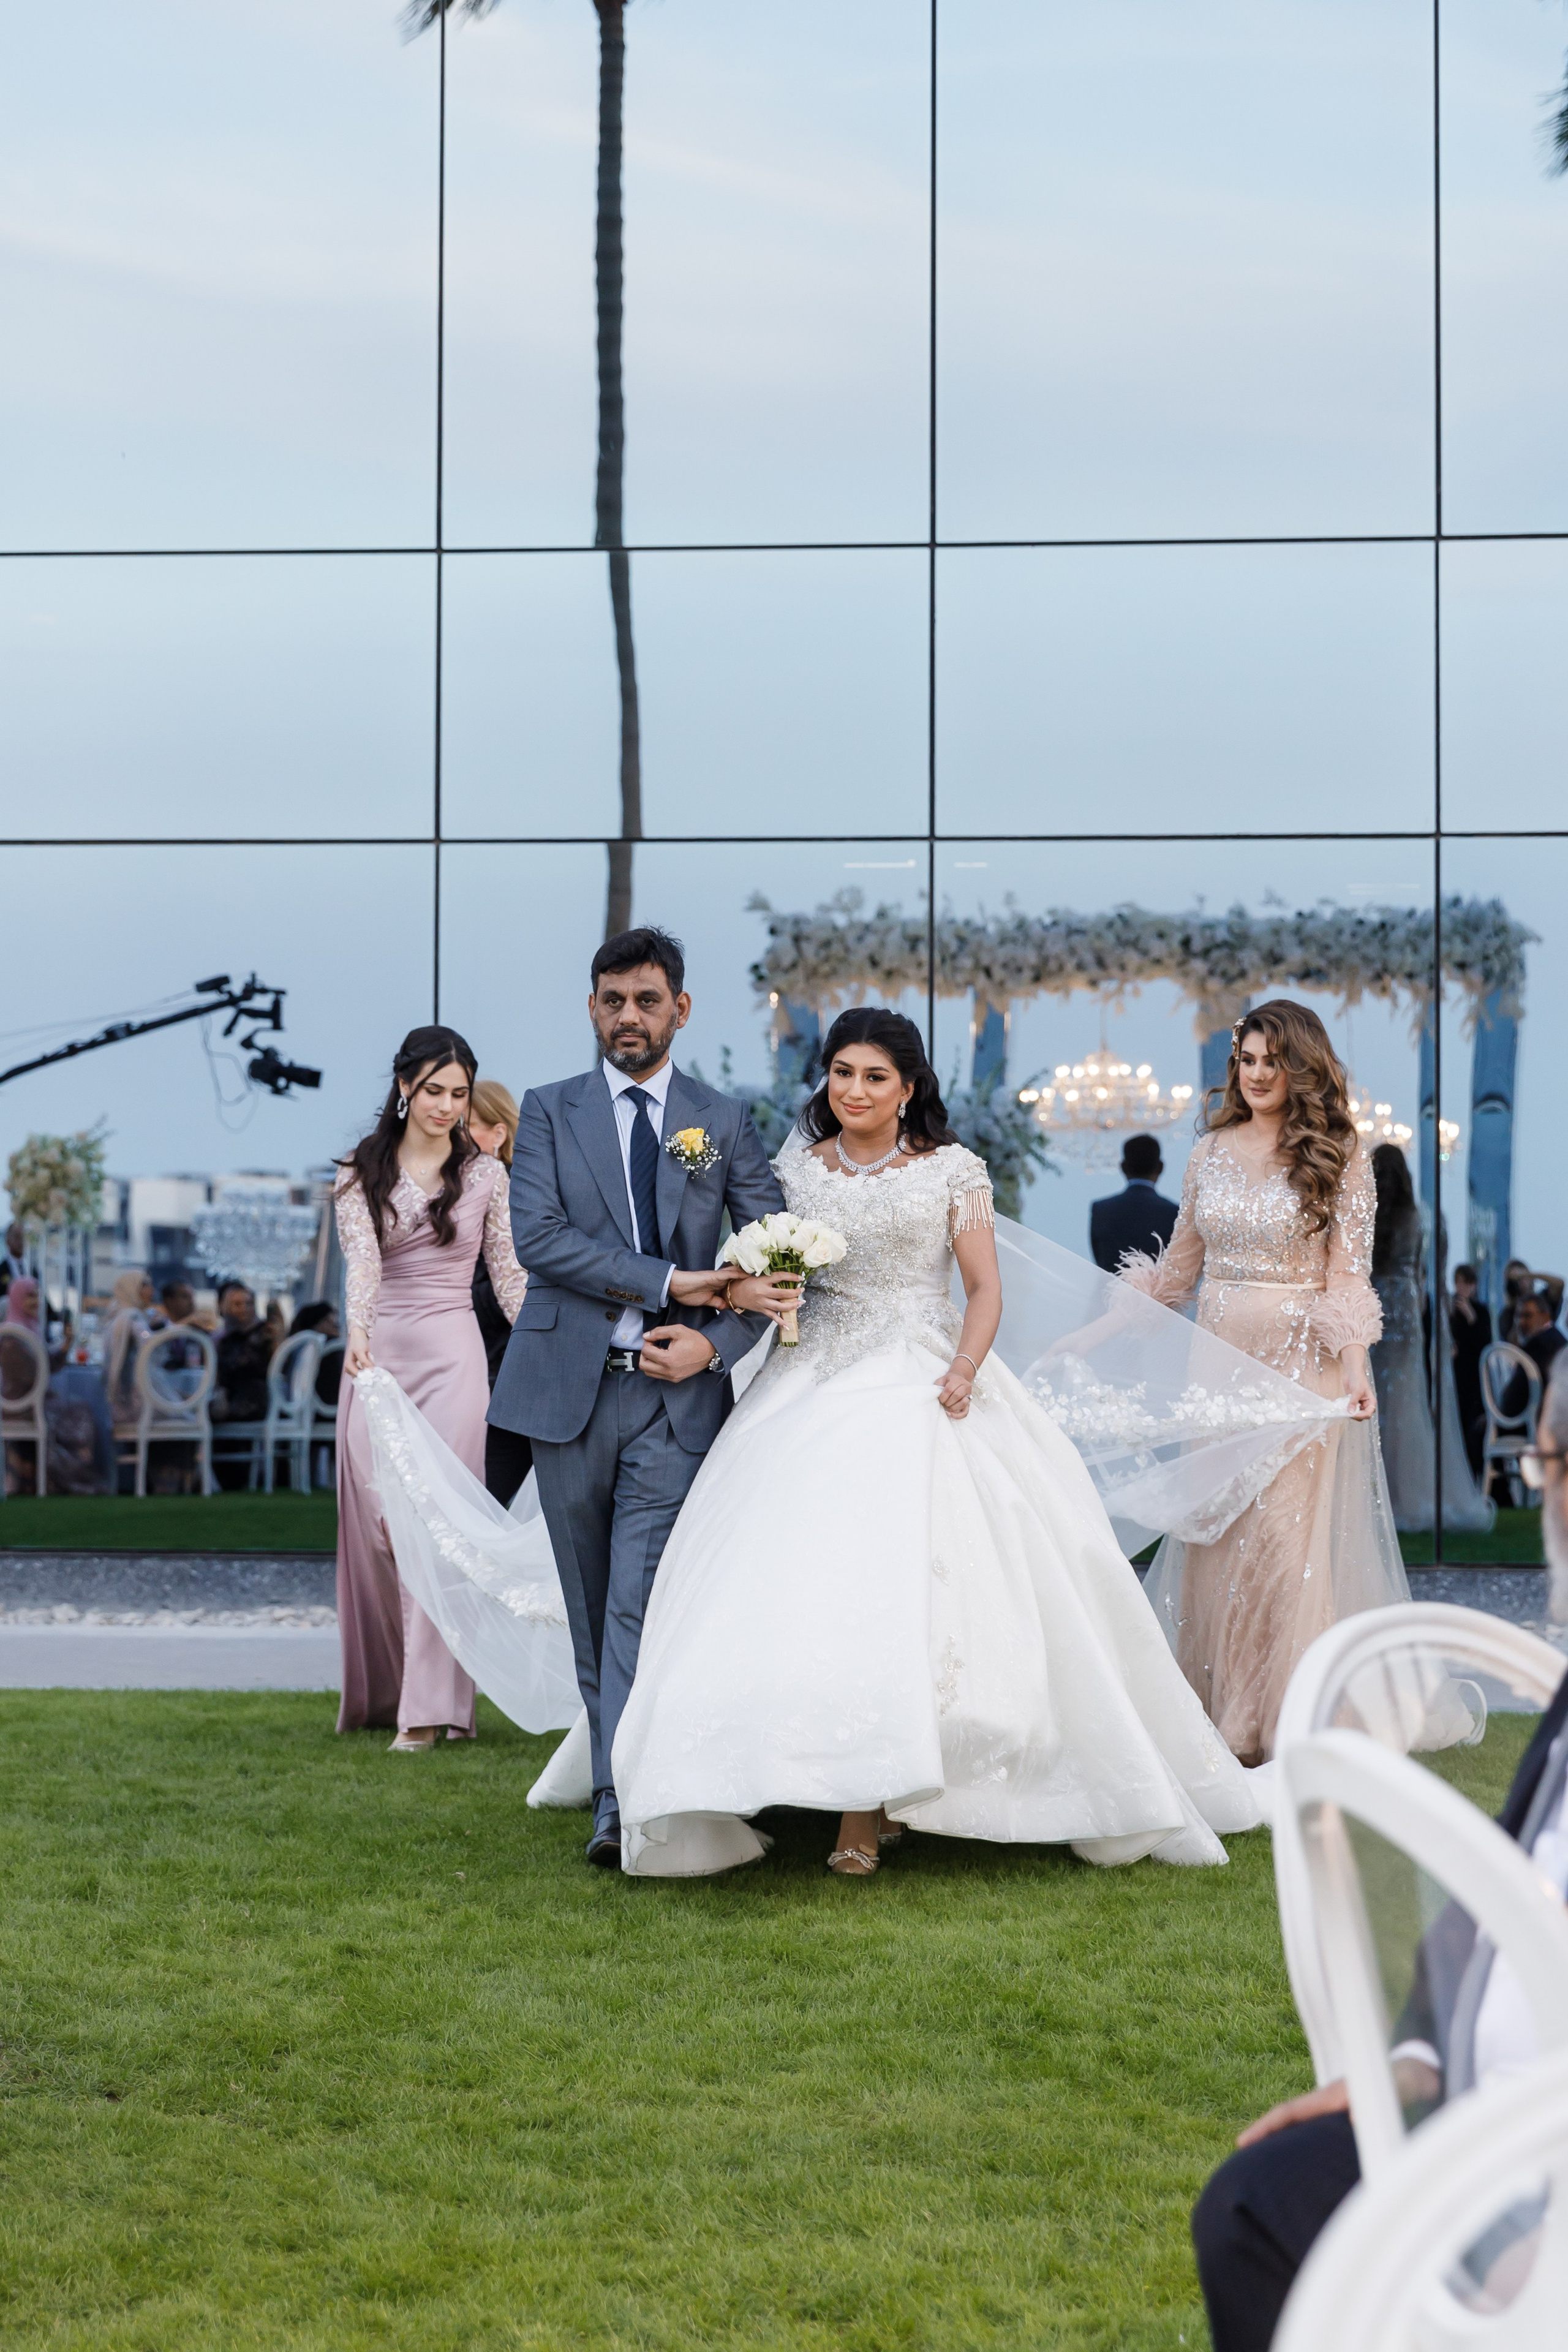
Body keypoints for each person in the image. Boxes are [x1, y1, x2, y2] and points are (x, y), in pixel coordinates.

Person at [609, 1006, 1268, 1880]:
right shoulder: (792, 1170)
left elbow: (985, 1290)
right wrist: (736, 1285)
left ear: (909, 1088)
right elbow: (744, 1254)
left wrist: (962, 1369)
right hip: (806, 1385)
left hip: (922, 1378)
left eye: (875, 1077)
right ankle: (773, 1769)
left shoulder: (954, 1171)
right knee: (790, 1578)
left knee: (903, 1579)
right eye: (842, 1073)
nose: (854, 1091)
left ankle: (870, 1806)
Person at [1191, 1353, 1568, 2352]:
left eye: (1544, 1477)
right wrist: (1409, 2061)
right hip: (1473, 2110)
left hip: (1538, 2149)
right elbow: (1511, 1881)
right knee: (1254, 2206)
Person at [489, 927, 788, 1865]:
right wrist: (669, 1283)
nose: (629, 1017)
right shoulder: (545, 1112)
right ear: (592, 1009)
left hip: (675, 1404)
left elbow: (776, 1256)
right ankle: (623, 1776)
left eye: (647, 1000)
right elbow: (538, 1240)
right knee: (590, 1606)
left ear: (680, 1009)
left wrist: (712, 1342)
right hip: (566, 1395)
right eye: (613, 1001)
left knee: (639, 1603)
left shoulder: (721, 1122)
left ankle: (626, 1800)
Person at [1121, 1001, 1407, 1766]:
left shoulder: (1340, 1154)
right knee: (1217, 1540)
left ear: (1300, 1067)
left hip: (1300, 1365)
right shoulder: (1207, 1154)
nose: (1254, 1075)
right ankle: (1218, 1712)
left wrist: (1352, 1368)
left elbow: (1347, 1275)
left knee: (1285, 1547)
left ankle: (1283, 1721)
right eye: (1245, 1061)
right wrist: (1093, 1330)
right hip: (1215, 1364)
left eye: (1270, 1062)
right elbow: (1177, 1271)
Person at [336, 1025, 527, 1751]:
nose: (447, 1106)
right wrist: (358, 1332)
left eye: (458, 1094)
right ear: (404, 1087)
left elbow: (509, 1278)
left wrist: (550, 1349)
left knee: (439, 1528)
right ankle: (393, 1693)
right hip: (377, 1358)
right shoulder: (359, 1171)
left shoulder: (484, 1176)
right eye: (434, 1091)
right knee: (383, 1521)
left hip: (453, 1357)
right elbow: (363, 1264)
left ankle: (432, 1710)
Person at [1368, 1143, 1490, 1532]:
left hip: (1373, 1304)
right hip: (1404, 1307)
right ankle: (1411, 1494)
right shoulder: (1420, 1218)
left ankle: (1377, 1493)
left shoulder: (1367, 1216)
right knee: (1405, 1401)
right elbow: (1425, 1271)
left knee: (1375, 1398)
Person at [466, 1078, 532, 1509]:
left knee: (491, 1498)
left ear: (498, 1133)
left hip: (500, 1363)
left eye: (465, 1126)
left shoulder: (511, 1193)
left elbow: (510, 1285)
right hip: (486, 1360)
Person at [1089, 1134, 1178, 1273]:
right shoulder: (1174, 1213)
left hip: (1111, 1293)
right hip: (1156, 1295)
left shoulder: (1101, 1210)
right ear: (1160, 1167)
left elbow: (1100, 1260)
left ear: (1123, 1167)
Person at [1449, 1263, 1492, 1479]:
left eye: (1466, 1283)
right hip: (1455, 1374)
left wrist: (1471, 1317)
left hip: (1474, 1377)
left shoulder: (1481, 1311)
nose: (1461, 1288)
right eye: (1458, 1283)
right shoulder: (1450, 1310)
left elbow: (1485, 1344)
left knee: (1472, 1425)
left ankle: (1475, 1474)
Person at [1500, 1284, 1567, 1423]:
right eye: (1518, 1316)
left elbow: (1512, 1401)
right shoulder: (1558, 1339)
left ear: (1546, 1317)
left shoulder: (1539, 1344)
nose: (1521, 1322)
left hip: (1535, 1423)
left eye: (1528, 1316)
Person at [103, 1270, 156, 1422]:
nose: (151, 1291)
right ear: (131, 1289)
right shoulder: (131, 1317)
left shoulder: (118, 1315)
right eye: (145, 1286)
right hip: (135, 1404)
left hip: (124, 1402)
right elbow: (151, 1345)